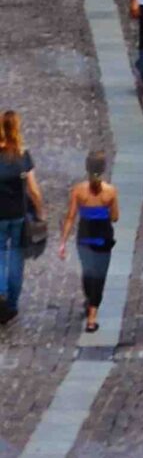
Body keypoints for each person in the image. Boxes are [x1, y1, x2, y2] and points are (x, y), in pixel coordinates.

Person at [60, 151, 119, 334]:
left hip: (84, 238)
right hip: (103, 239)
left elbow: (70, 217)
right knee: (100, 277)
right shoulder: (110, 191)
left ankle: (89, 298)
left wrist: (63, 242)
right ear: (103, 169)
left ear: (86, 168)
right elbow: (115, 217)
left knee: (88, 272)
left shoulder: (78, 191)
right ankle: (92, 317)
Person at [0, 109, 44, 325]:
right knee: (17, 255)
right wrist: (41, 213)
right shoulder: (22, 155)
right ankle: (12, 304)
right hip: (18, 214)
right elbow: (34, 191)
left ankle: (0, 291)